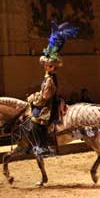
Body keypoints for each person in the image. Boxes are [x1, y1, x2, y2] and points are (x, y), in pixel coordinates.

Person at [27, 21, 78, 156]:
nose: (46, 66)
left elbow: (45, 96)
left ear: (52, 66)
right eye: (46, 65)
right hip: (49, 100)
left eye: (48, 65)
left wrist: (33, 98)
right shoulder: (47, 77)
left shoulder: (49, 78)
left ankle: (43, 147)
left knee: (36, 119)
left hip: (50, 104)